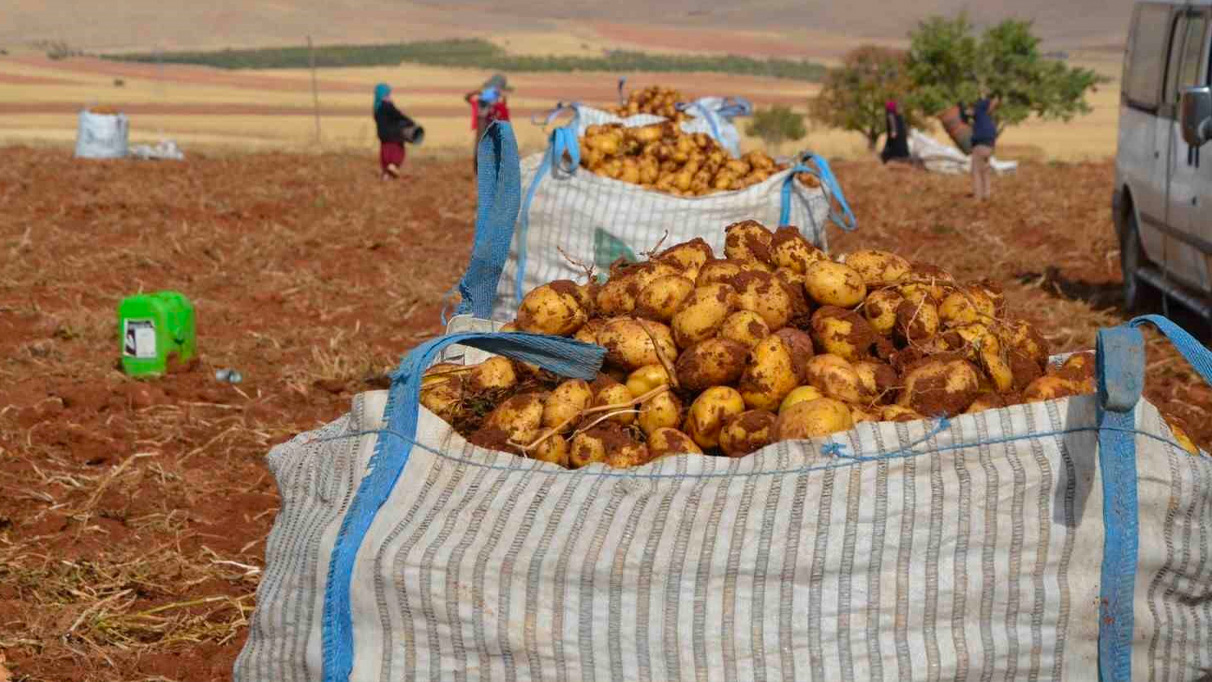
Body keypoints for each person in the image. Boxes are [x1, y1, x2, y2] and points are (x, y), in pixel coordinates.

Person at [464, 74, 513, 171]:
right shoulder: (481, 102)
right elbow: (468, 98)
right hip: (483, 126)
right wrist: (477, 92)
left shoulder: (496, 105)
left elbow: (502, 113)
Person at [374, 83, 417, 180]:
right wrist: (410, 122)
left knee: (385, 151)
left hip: (383, 136)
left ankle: (386, 174)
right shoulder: (388, 106)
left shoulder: (376, 109)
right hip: (393, 134)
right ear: (382, 96)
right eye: (387, 95)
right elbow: (398, 115)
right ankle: (393, 165)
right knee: (398, 149)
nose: (389, 97)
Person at [962, 95, 1000, 200]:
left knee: (976, 171)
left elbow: (967, 113)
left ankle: (978, 196)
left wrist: (961, 106)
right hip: (990, 147)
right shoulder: (988, 119)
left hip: (980, 146)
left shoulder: (979, 113)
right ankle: (986, 194)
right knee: (985, 170)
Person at [880, 99, 911, 165]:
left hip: (895, 137)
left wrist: (893, 131)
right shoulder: (898, 115)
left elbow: (892, 124)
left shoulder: (890, 115)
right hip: (901, 137)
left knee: (889, 151)